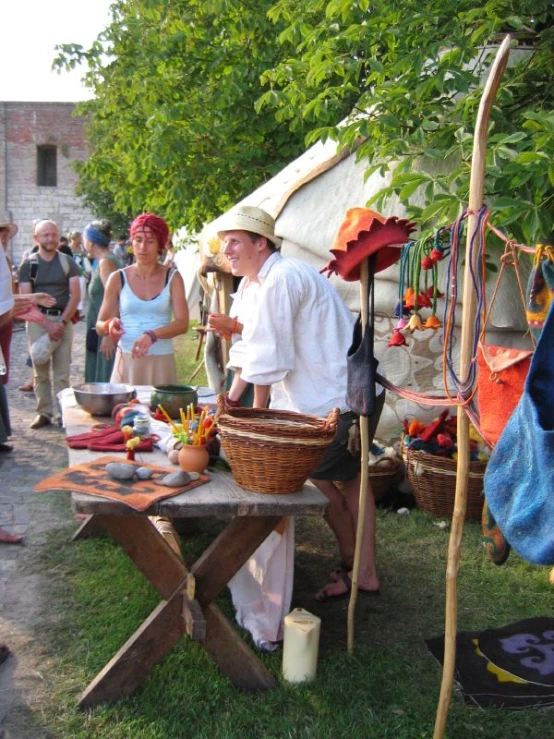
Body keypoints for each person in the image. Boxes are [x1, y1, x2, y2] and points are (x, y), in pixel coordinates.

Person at [213, 205, 383, 619]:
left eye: (235, 241)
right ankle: (358, 566)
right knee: (331, 483)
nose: (227, 250)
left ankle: (360, 570)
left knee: (336, 483)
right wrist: (233, 400)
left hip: (340, 398)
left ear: (260, 243)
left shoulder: (283, 279)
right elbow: (251, 350)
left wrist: (254, 418)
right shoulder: (254, 285)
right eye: (224, 242)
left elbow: (271, 357)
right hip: (321, 399)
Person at [96, 213, 189, 385]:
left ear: (160, 244)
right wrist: (109, 325)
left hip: (161, 359)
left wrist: (152, 335)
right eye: (138, 240)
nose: (142, 247)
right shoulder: (117, 278)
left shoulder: (173, 277)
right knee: (124, 410)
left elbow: (182, 323)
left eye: (150, 241)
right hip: (127, 359)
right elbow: (99, 324)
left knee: (160, 411)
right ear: (132, 242)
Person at [18, 219, 81, 429]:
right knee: (40, 369)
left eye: (53, 234)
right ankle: (43, 412)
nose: (50, 239)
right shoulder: (28, 265)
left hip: (63, 319)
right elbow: (26, 299)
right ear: (36, 238)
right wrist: (47, 324)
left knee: (62, 372)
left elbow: (76, 294)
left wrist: (61, 322)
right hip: (38, 320)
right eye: (45, 235)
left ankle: (64, 414)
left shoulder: (67, 262)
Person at [83, 220, 120, 382]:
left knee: (104, 377)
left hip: (105, 329)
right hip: (99, 326)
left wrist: (108, 334)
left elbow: (114, 298)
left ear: (90, 243)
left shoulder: (106, 262)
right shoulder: (106, 261)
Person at [68, 231, 92, 315]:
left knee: (81, 292)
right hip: (70, 273)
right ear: (75, 238)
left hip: (81, 273)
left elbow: (84, 260)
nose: (81, 239)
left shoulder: (81, 249)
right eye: (80, 238)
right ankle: (71, 310)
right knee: (70, 292)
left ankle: (79, 311)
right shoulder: (68, 249)